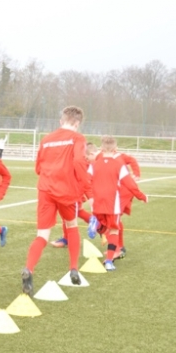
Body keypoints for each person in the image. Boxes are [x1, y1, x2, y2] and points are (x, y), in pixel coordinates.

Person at [21, 106, 90, 295]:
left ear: (61, 121)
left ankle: (29, 268)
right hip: (66, 191)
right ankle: (73, 268)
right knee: (72, 226)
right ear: (77, 123)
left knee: (42, 235)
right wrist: (87, 187)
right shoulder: (78, 138)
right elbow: (79, 162)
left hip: (45, 190)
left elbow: (38, 167)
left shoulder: (46, 139)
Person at [88, 136, 147, 271]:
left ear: (101, 149)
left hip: (98, 202)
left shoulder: (94, 164)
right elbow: (130, 184)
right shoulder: (119, 165)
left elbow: (85, 181)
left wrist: (89, 196)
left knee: (104, 226)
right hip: (113, 203)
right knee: (114, 229)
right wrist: (142, 196)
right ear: (116, 149)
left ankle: (98, 226)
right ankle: (109, 261)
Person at [51, 143, 98, 248]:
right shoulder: (82, 161)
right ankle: (96, 224)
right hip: (73, 190)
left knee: (69, 214)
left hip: (74, 192)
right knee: (73, 213)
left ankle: (67, 238)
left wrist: (86, 196)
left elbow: (84, 180)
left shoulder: (84, 163)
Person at [113, 149, 141, 259]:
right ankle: (117, 246)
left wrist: (136, 174)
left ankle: (119, 248)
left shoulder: (118, 156)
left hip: (125, 190)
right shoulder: (101, 157)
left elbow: (132, 160)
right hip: (116, 191)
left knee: (114, 217)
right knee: (114, 218)